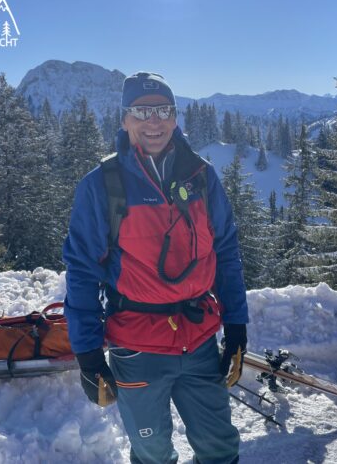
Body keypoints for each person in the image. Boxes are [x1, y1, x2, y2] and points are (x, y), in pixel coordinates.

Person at [63, 72, 248, 464]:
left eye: (163, 110)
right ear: (124, 119)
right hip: (137, 348)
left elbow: (226, 251)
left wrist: (236, 326)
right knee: (152, 453)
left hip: (199, 339)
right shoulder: (103, 185)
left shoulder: (201, 176)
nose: (154, 121)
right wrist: (88, 355)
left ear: (175, 117)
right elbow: (81, 272)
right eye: (142, 111)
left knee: (220, 447)